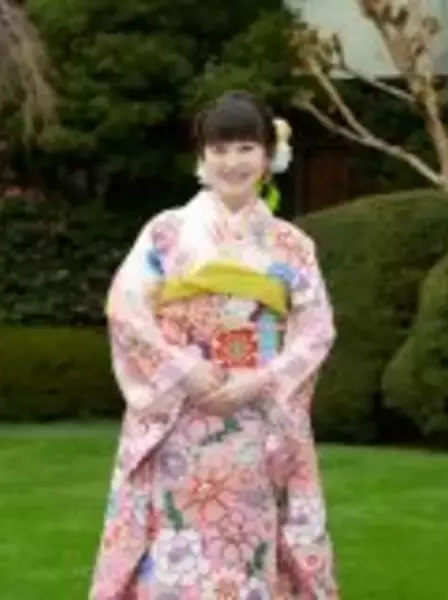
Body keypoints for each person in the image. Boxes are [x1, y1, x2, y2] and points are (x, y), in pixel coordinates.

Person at [89, 91, 340, 599]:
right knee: (174, 541)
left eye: (246, 148)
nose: (232, 162)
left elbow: (316, 330)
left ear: (268, 156)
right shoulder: (165, 233)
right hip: (181, 414)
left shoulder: (292, 245)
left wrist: (261, 380)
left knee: (247, 544)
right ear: (202, 157)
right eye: (219, 149)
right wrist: (184, 368)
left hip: (255, 419)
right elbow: (126, 309)